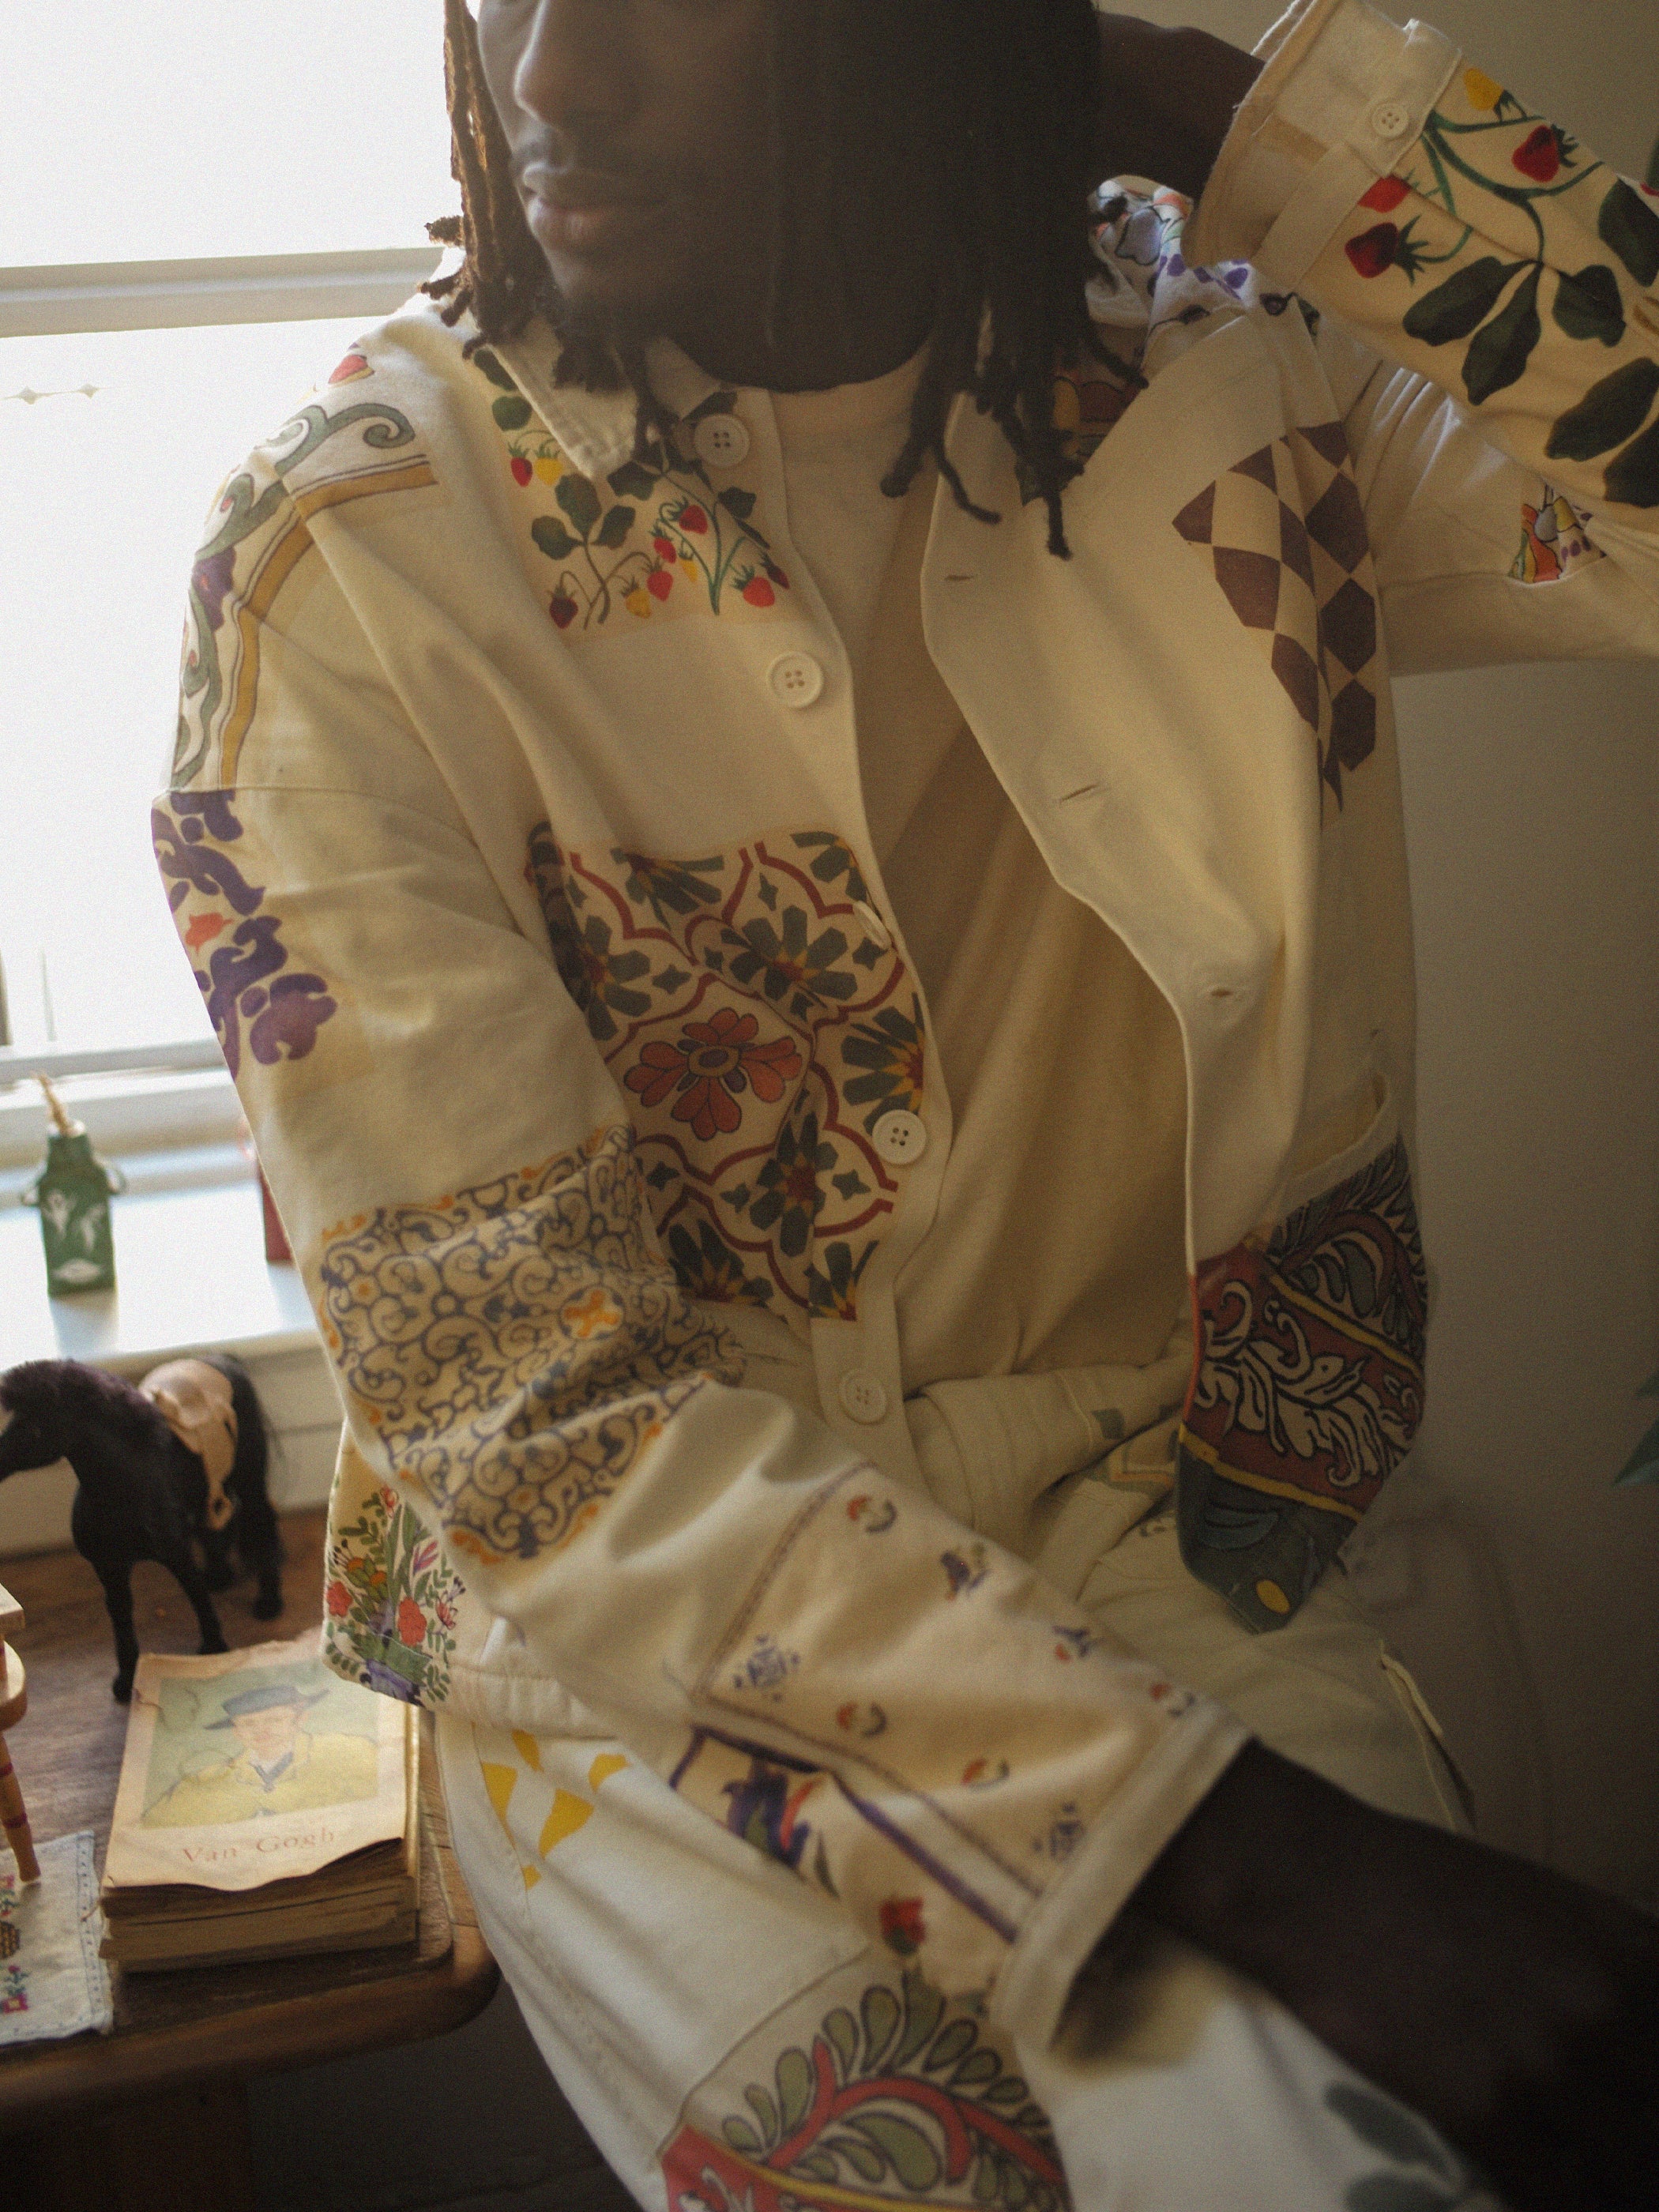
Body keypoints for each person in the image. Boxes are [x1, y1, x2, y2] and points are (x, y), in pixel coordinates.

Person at [152, 2, 1659, 2205]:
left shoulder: (1213, 397)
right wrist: (1278, 1868)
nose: (553, 76)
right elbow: (538, 1415)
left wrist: (1203, 103)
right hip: (636, 1651)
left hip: (1161, 1524)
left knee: (1370, 2177)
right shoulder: (358, 556)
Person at [141, 1681, 378, 1826]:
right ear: (237, 1732)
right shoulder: (206, 1779)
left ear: (300, 1719)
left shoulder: (348, 1750)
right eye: (249, 1723)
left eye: (274, 1720)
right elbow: (156, 1824)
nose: (261, 1730)